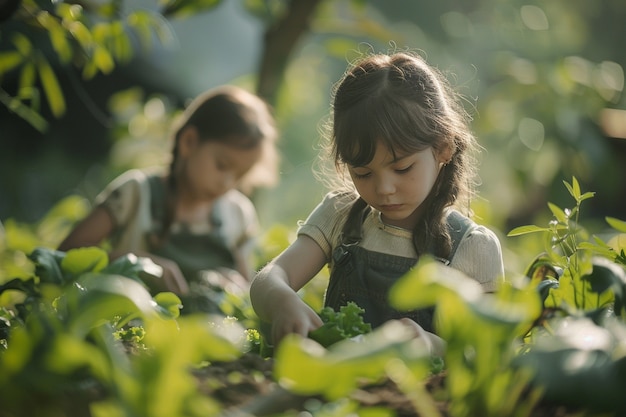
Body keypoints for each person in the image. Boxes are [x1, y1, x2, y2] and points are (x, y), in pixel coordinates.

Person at [249, 51, 505, 355]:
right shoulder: (342, 216)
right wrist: (282, 301)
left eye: (402, 169)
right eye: (363, 173)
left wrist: (431, 346)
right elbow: (269, 279)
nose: (384, 189)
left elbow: (488, 352)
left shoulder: (472, 246)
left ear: (443, 149)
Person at [58, 85, 279, 314]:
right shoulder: (136, 193)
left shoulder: (238, 214)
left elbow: (246, 292)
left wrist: (233, 286)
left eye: (240, 175)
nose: (227, 182)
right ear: (189, 142)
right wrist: (136, 263)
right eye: (222, 165)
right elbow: (64, 256)